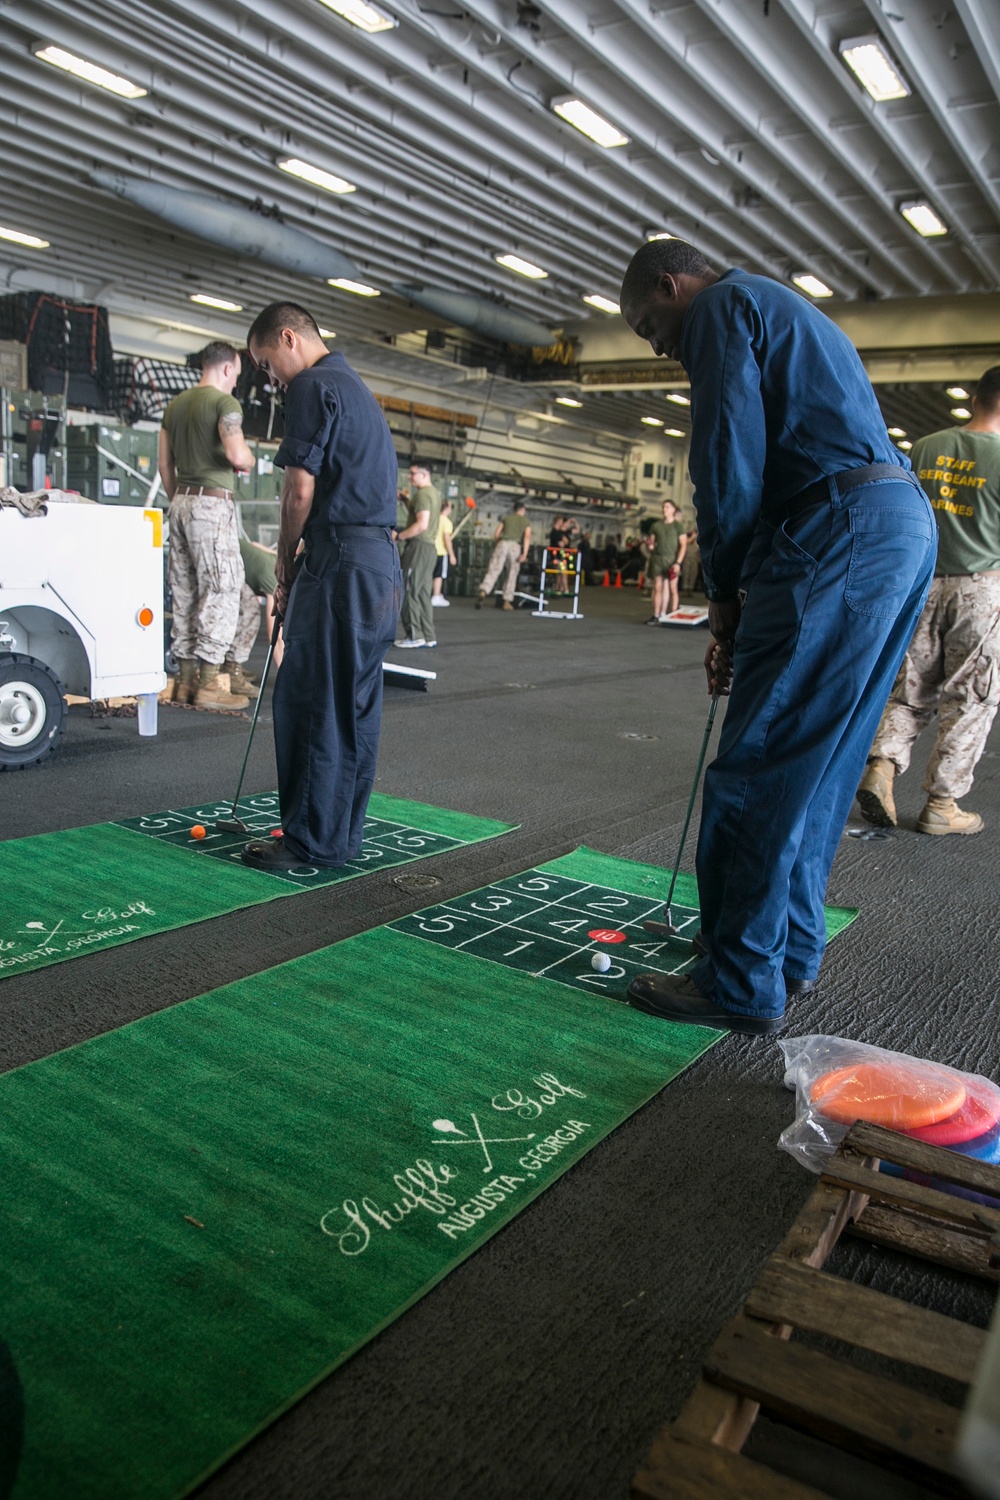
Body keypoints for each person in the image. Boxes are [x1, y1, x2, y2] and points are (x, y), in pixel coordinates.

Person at [618, 239, 936, 1036]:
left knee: (757, 765)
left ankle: (737, 978)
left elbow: (729, 463)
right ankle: (788, 953)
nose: (655, 344)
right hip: (897, 527)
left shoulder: (727, 306)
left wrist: (722, 594)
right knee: (820, 766)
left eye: (648, 322)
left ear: (672, 283)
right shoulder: (788, 311)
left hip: (842, 532)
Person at [239, 301, 401, 873]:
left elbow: (299, 492)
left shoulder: (311, 386)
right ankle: (338, 839)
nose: (269, 376)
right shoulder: (356, 389)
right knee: (353, 706)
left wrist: (284, 565)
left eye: (265, 363)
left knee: (310, 699)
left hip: (340, 563)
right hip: (380, 565)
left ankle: (307, 841)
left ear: (289, 338)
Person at [857, 367, 1000, 836]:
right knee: (972, 696)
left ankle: (882, 766)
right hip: (980, 589)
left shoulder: (927, 447)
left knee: (909, 687)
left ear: (977, 398)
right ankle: (942, 802)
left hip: (923, 583)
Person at [158, 340, 255, 711]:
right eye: (237, 375)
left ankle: (183, 683)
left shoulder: (175, 405)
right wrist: (247, 457)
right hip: (212, 505)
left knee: (184, 590)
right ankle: (210, 686)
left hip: (179, 501)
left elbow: (165, 465)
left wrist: (179, 501)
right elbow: (236, 454)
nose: (235, 384)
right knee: (222, 588)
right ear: (228, 368)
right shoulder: (225, 404)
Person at [396, 465, 441, 648]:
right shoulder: (432, 493)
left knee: (408, 588)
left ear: (424, 474)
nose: (409, 477)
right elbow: (420, 516)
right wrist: (406, 501)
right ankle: (428, 636)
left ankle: (414, 635)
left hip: (418, 547)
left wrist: (399, 536)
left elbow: (421, 525)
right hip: (429, 548)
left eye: (413, 474)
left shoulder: (423, 495)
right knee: (422, 592)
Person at [477, 500, 531, 610]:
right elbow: (527, 537)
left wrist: (500, 543)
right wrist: (524, 554)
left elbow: (496, 534)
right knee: (512, 573)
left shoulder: (506, 518)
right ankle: (506, 601)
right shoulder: (526, 522)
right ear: (523, 509)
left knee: (494, 569)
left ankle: (484, 590)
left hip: (503, 543)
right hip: (515, 547)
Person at [644, 500, 687, 621]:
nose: (664, 509)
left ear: (673, 509)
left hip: (672, 559)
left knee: (673, 588)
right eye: (663, 507)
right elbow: (652, 545)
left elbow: (683, 545)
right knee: (657, 587)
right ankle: (656, 615)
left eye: (667, 507)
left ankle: (673, 615)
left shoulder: (678, 526)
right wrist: (649, 545)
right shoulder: (656, 526)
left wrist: (678, 562)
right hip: (657, 559)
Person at [431, 498, 456, 608]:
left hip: (431, 550)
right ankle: (436, 596)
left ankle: (435, 594)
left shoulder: (434, 518)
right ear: (448, 508)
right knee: (438, 575)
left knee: (431, 574)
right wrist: (452, 555)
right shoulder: (447, 522)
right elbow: (447, 540)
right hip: (441, 552)